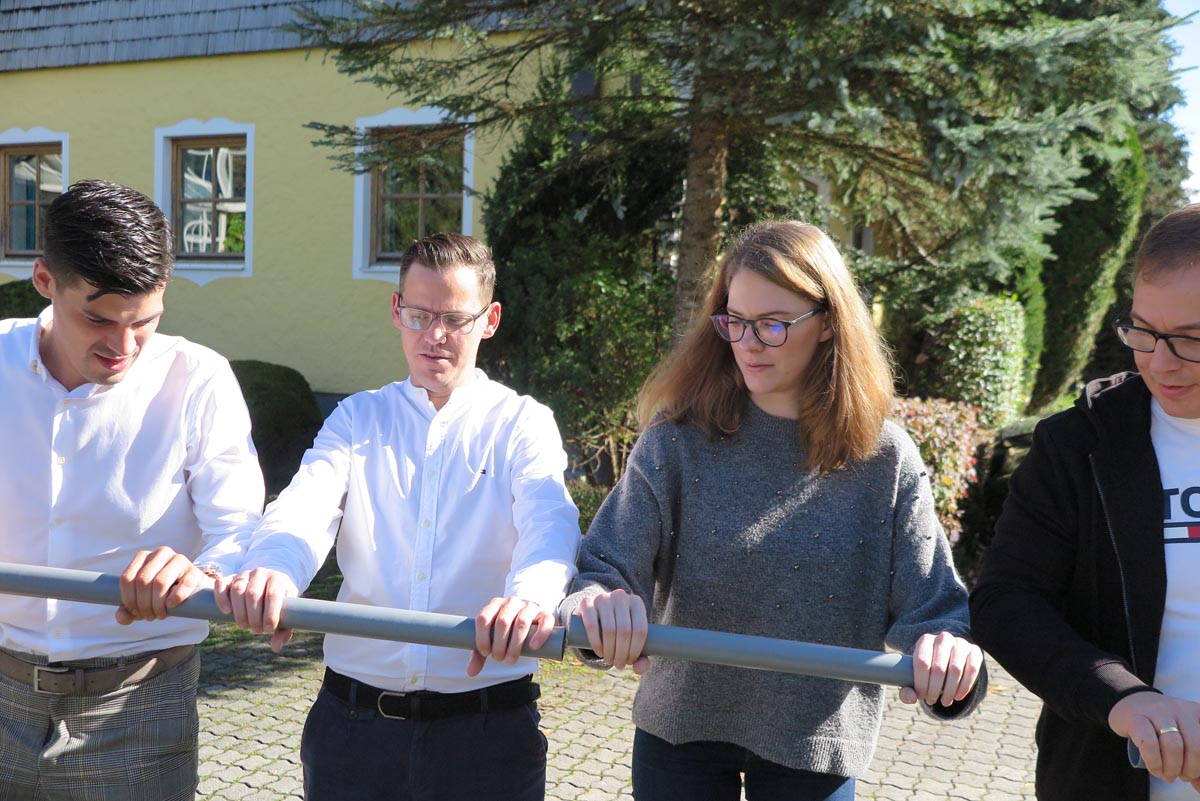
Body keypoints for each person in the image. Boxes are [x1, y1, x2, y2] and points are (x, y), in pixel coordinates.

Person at [123, 232, 581, 801]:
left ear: (489, 320)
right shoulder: (358, 417)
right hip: (354, 728)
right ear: (396, 310)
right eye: (418, 315)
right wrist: (273, 571)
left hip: (487, 732)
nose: (434, 335)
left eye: (455, 319)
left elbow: (548, 521)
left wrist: (530, 600)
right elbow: (305, 506)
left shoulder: (523, 423)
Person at [559, 220, 985, 801]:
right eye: (735, 321)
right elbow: (604, 567)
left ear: (829, 323)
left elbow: (936, 608)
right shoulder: (676, 439)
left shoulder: (885, 459)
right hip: (678, 734)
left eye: (773, 324)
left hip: (815, 744)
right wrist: (598, 607)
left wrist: (948, 656)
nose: (748, 343)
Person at [0, 178, 265, 800]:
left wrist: (203, 573)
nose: (123, 347)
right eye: (97, 318)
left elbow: (241, 527)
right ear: (44, 280)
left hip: (141, 704)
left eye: (144, 322)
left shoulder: (198, 379)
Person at [971, 204, 1200, 800]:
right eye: (1143, 332)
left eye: (1190, 339)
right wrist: (1123, 698)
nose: (1160, 362)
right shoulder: (1077, 444)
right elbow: (1006, 602)